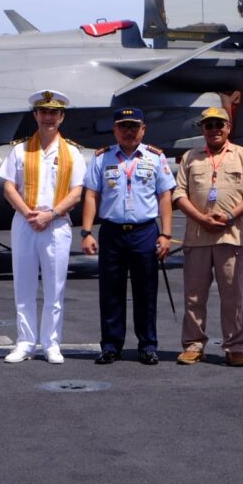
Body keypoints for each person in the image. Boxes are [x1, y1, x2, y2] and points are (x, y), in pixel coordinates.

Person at [81, 108, 175, 365]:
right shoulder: (102, 158)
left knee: (146, 291)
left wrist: (166, 234)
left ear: (143, 129)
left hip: (144, 230)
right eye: (123, 126)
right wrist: (87, 231)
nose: (129, 131)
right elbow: (91, 195)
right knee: (111, 291)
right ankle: (111, 345)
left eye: (134, 126)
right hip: (112, 230)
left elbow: (165, 196)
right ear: (115, 130)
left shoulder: (156, 157)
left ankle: (147, 345)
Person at [0, 91, 85, 365]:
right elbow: (8, 187)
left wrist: (51, 214)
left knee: (54, 288)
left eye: (53, 113)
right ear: (35, 115)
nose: (48, 117)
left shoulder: (72, 152)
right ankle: (25, 341)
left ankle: (51, 343)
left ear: (61, 117)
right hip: (25, 223)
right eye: (43, 112)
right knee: (23, 285)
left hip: (56, 224)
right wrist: (28, 214)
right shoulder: (20, 149)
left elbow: (77, 192)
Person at [173, 107, 243, 366]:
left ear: (228, 127)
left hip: (230, 236)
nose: (214, 130)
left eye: (219, 124)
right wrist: (202, 218)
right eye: (209, 125)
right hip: (197, 236)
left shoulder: (242, 155)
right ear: (202, 129)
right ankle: (193, 345)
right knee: (194, 296)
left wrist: (230, 216)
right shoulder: (190, 157)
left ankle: (234, 346)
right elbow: (179, 195)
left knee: (232, 296)